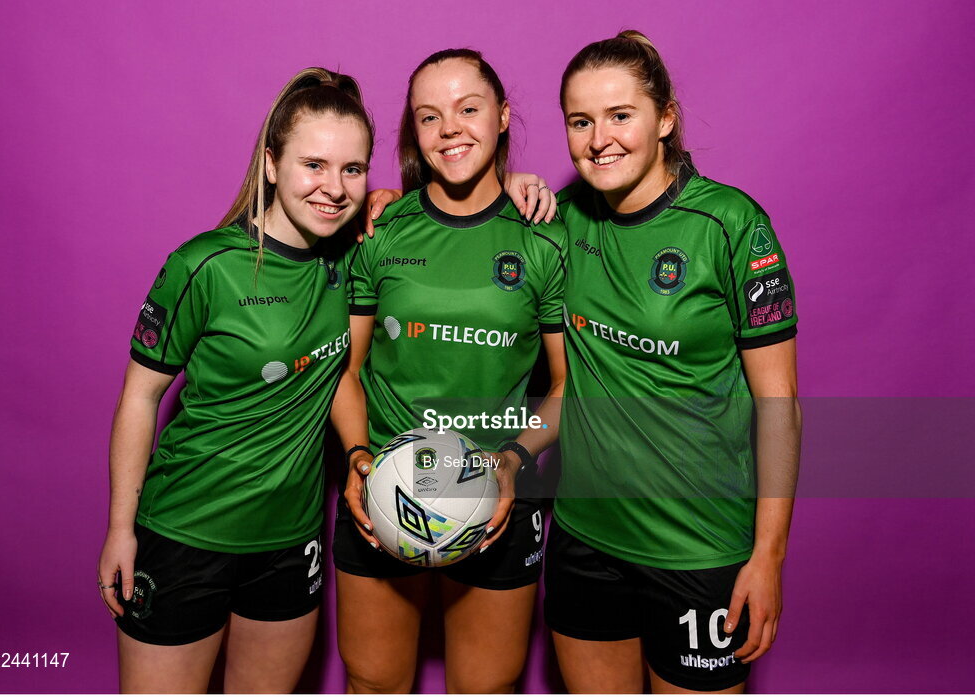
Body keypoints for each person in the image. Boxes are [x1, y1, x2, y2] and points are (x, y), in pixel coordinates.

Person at [95, 68, 374, 693]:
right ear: (272, 164)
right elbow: (140, 397)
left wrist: (519, 183)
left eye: (352, 170)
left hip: (289, 540)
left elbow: (452, 206)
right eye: (314, 165)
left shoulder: (352, 261)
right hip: (187, 533)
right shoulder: (204, 265)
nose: (334, 188)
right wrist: (120, 527)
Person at [543, 31, 802, 693]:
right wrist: (384, 202)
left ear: (664, 118)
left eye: (620, 115)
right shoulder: (561, 216)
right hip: (583, 538)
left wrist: (767, 555)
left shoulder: (731, 224)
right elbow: (467, 216)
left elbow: (780, 406)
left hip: (697, 547)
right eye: (581, 120)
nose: (600, 138)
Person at [330, 49, 567, 693]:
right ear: (414, 132)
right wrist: (357, 460)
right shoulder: (379, 229)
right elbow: (345, 373)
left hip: (497, 501)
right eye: (430, 117)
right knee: (373, 683)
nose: (450, 129)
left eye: (469, 108)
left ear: (503, 115)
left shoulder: (544, 236)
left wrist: (512, 461)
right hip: (382, 493)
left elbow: (567, 387)